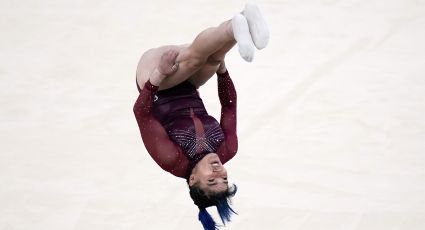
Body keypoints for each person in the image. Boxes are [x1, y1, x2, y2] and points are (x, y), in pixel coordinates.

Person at [133, 3, 269, 230]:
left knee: (196, 59)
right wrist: (222, 70)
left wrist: (159, 74)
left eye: (211, 180)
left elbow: (141, 113)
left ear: (193, 180)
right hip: (189, 85)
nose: (219, 173)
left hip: (155, 81)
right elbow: (229, 105)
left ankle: (235, 26)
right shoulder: (227, 149)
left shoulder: (173, 159)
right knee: (213, 60)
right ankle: (242, 21)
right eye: (224, 179)